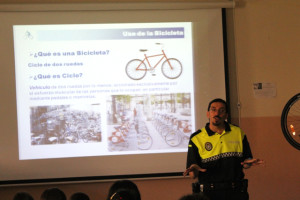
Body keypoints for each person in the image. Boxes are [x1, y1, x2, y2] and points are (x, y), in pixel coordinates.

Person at [183, 98, 264, 200]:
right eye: (213, 110)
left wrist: (249, 162)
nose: (217, 113)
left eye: (221, 111)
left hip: (236, 191)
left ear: (226, 115)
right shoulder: (196, 138)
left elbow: (245, 162)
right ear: (208, 114)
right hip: (208, 193)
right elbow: (192, 175)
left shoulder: (238, 132)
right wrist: (194, 168)